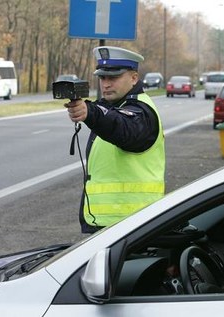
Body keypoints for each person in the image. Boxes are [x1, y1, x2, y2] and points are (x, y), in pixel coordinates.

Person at [65, 46, 165, 233]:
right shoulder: (112, 105)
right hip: (109, 222)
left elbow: (122, 127)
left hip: (135, 224)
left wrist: (90, 112)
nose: (106, 84)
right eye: (102, 77)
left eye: (113, 78)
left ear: (134, 78)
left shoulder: (141, 111)